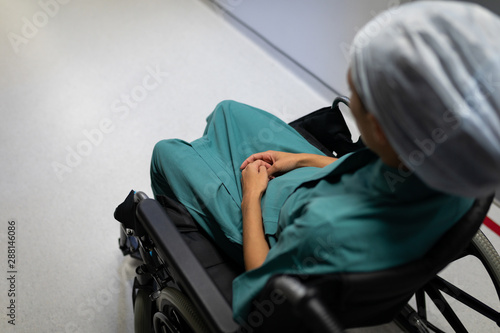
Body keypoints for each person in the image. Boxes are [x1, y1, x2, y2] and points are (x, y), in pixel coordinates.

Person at [150, 1, 500, 321]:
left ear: (378, 128)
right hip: (316, 190)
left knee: (166, 153)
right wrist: (300, 159)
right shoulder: (453, 169)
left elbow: (263, 285)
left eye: (359, 90)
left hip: (273, 227)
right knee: (227, 112)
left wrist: (251, 197)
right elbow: (370, 172)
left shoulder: (323, 228)